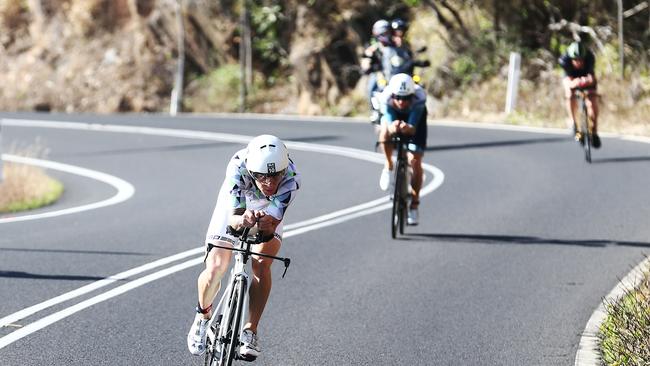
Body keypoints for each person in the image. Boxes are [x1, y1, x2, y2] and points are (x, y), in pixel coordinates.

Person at [187, 135, 300, 360]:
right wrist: (244, 219)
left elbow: (270, 227)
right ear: (251, 171)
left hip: (267, 209)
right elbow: (233, 221)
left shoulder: (291, 179)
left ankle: (251, 330)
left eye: (275, 175)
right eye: (261, 177)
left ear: (284, 170)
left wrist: (263, 224)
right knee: (217, 266)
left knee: (262, 263)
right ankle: (202, 316)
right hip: (235, 207)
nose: (269, 183)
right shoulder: (237, 168)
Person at [377, 73, 427, 225]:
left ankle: (414, 204)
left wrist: (408, 128)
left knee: (415, 162)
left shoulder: (419, 98)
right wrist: (393, 127)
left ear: (412, 96)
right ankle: (388, 165)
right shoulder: (386, 98)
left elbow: (412, 129)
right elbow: (389, 120)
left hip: (414, 116)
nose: (401, 101)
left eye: (406, 98)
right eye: (397, 97)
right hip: (393, 114)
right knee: (385, 131)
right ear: (392, 94)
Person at [559, 41, 601, 148]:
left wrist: (587, 81)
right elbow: (568, 82)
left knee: (592, 100)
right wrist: (575, 82)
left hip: (586, 76)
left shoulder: (590, 58)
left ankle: (594, 132)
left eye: (581, 60)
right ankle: (573, 123)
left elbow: (591, 79)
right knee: (569, 93)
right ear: (571, 59)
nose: (579, 63)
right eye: (576, 60)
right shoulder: (565, 60)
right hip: (572, 77)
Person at [362, 19, 393, 123]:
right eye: (384, 33)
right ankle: (374, 110)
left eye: (388, 32)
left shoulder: (396, 46)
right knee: (372, 87)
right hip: (380, 74)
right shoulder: (373, 48)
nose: (386, 35)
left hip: (394, 73)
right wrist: (368, 63)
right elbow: (365, 62)